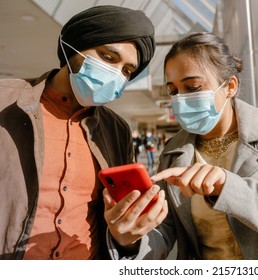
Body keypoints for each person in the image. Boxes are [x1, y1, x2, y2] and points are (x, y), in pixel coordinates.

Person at [109, 32, 258, 260]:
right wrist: (131, 240)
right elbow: (166, 231)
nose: (180, 99)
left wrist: (227, 186)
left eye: (193, 87)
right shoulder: (173, 151)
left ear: (230, 86)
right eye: (173, 91)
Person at [0, 5, 167, 260]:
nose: (116, 74)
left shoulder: (117, 130)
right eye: (108, 57)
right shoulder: (5, 100)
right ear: (74, 46)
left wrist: (129, 239)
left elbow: (118, 221)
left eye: (127, 71)